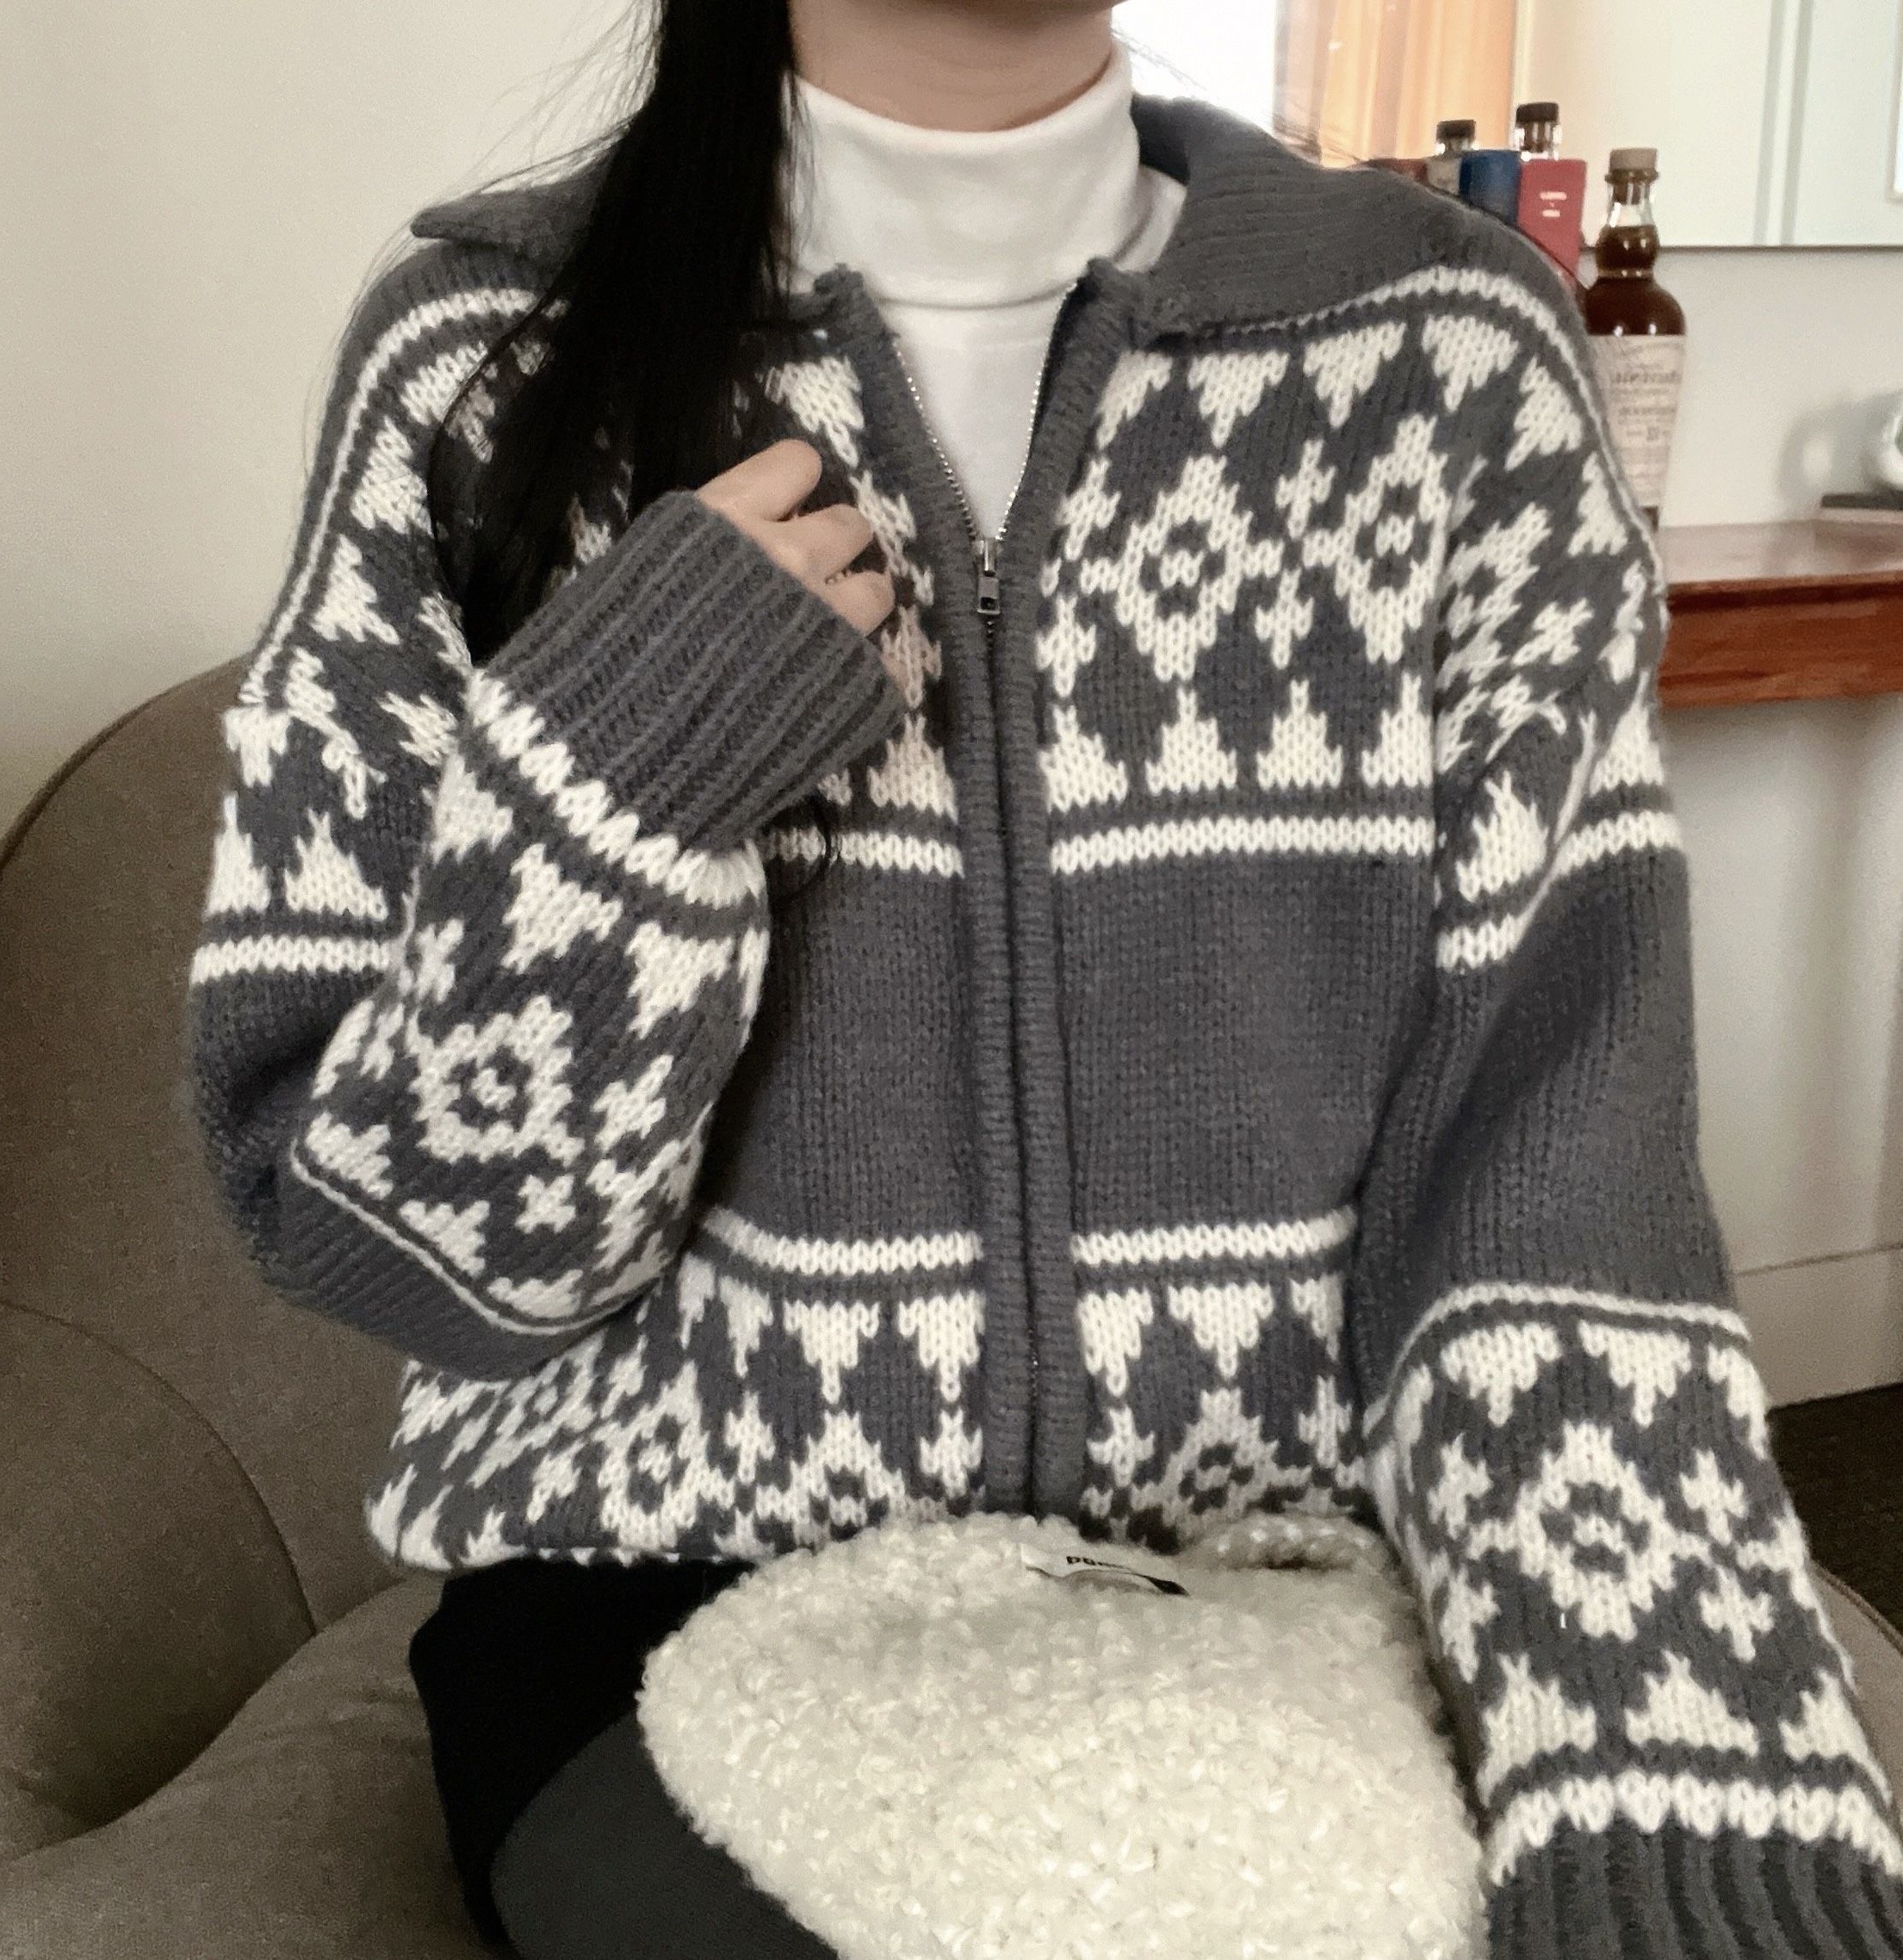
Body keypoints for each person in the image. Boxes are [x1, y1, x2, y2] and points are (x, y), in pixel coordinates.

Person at [186, 0, 1903, 1955]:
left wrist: (1671, 1785)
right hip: (649, 1591)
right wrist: (621, 783)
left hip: (1294, 1584)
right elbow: (392, 1252)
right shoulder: (480, 359)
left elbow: (1555, 1175)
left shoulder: (1457, 356)